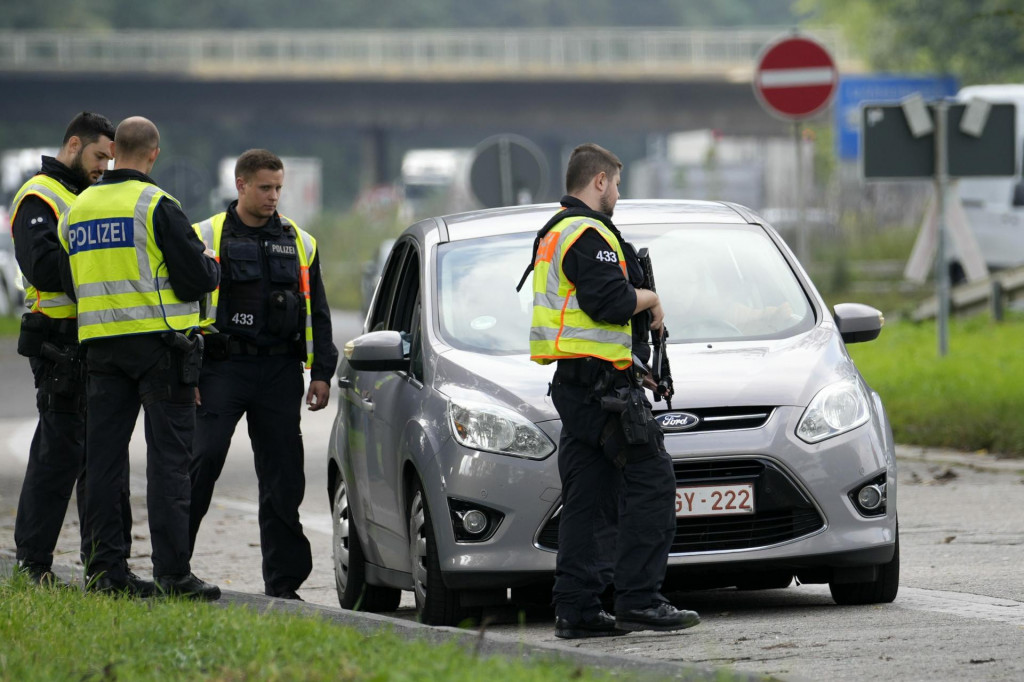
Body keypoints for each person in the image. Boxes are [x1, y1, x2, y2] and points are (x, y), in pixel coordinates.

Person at [528, 143, 700, 638]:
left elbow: (585, 321)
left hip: (581, 384)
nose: (619, 195)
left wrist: (634, 365)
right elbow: (609, 301)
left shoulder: (557, 231)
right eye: (617, 184)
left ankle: (577, 609)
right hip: (602, 392)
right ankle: (640, 600)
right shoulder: (588, 231)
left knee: (589, 498)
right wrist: (652, 298)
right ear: (599, 181)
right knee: (653, 481)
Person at [59, 116, 222, 599]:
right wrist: (211, 264)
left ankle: (106, 574)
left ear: (112, 153)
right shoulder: (156, 205)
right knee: (168, 463)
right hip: (160, 348)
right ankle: (173, 574)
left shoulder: (77, 209)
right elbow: (196, 278)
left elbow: (71, 283)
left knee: (104, 463)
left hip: (100, 349)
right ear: (153, 153)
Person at [188, 149, 338, 601]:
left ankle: (283, 584)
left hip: (278, 370)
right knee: (202, 460)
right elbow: (183, 309)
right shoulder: (205, 236)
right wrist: (188, 374)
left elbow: (318, 314)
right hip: (222, 367)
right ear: (241, 185)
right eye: (265, 188)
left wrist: (321, 373)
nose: (274, 196)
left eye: (278, 188)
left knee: (283, 477)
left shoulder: (300, 241)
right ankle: (172, 566)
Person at [9, 111, 128, 586]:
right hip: (58, 340)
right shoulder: (40, 195)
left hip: (93, 338)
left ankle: (105, 568)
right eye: (100, 156)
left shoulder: (87, 196)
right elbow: (41, 266)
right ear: (74, 145)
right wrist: (96, 256)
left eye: (111, 159)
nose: (104, 166)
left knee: (102, 458)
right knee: (58, 455)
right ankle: (32, 564)